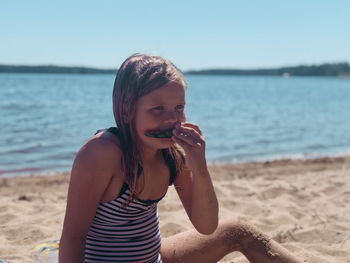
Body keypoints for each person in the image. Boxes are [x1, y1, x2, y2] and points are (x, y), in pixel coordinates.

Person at [59, 53, 303, 263]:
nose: (171, 119)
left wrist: (199, 166)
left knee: (238, 230)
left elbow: (206, 226)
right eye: (157, 109)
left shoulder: (171, 156)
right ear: (126, 110)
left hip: (154, 257)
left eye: (179, 108)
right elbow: (73, 236)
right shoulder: (101, 154)